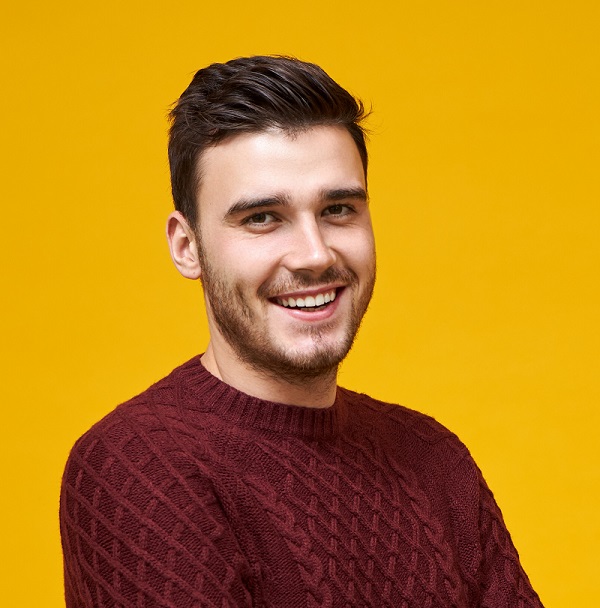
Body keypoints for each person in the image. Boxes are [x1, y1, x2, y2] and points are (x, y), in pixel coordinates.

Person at [60, 55, 543, 607]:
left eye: (338, 209)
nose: (315, 255)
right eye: (262, 218)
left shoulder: (433, 457)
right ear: (187, 247)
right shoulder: (139, 468)